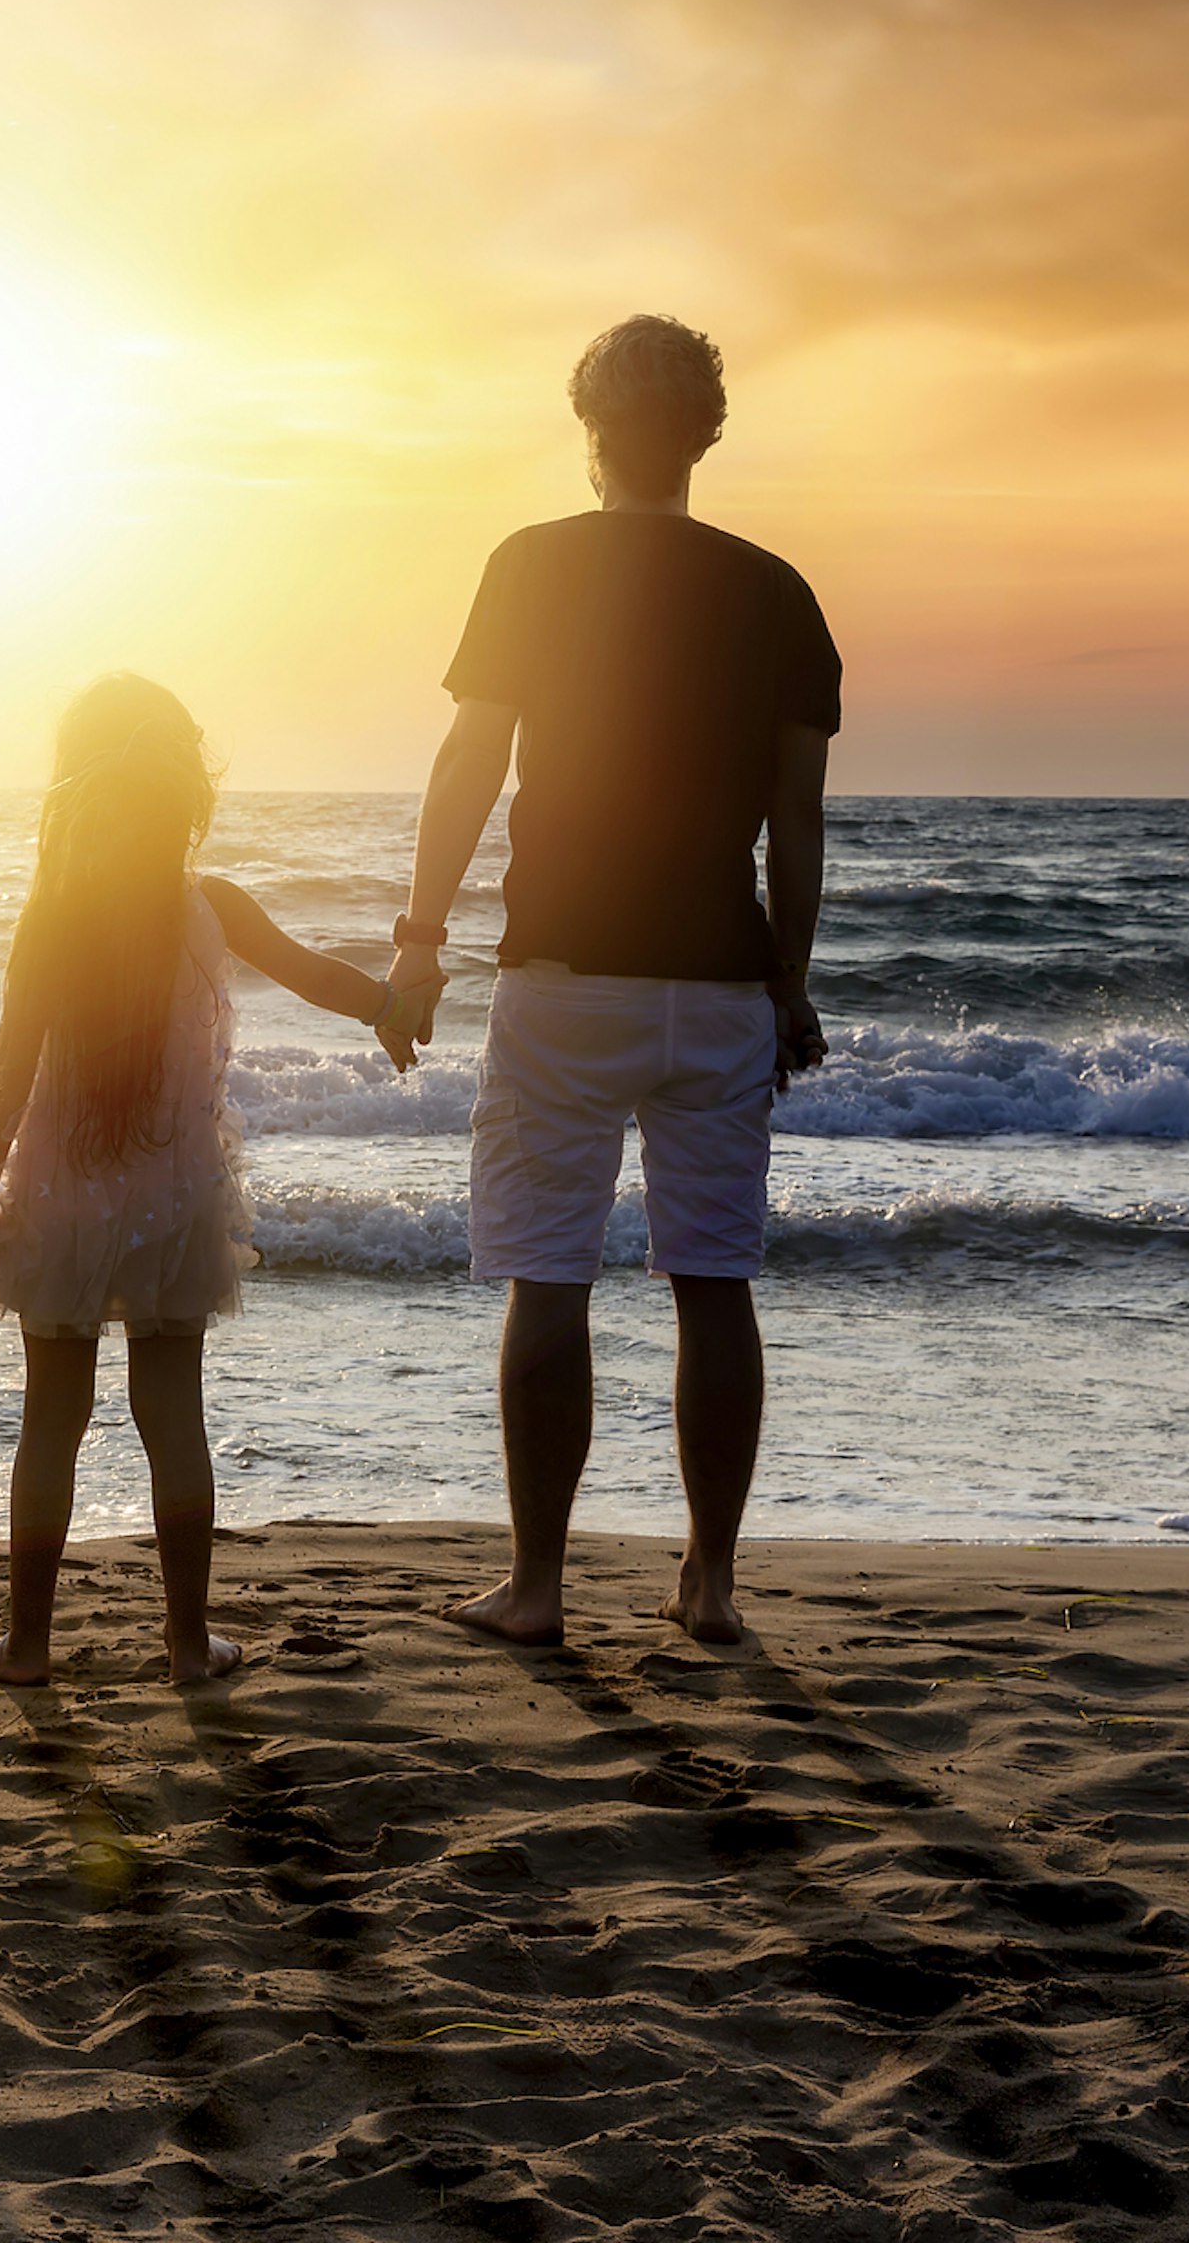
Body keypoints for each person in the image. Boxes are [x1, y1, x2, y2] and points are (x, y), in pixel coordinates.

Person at [386, 315, 841, 1648]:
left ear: (591, 434)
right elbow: (798, 825)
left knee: (549, 1278)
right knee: (713, 1281)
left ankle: (535, 1589)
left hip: (564, 976)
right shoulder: (778, 593)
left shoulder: (533, 564)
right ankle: (710, 1583)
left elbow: (469, 764)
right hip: (715, 984)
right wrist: (790, 985)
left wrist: (419, 941)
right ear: (703, 434)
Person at [0, 674, 420, 1687]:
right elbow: (312, 972)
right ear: (182, 793)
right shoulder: (211, 905)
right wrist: (392, 1004)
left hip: (63, 1196)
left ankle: (29, 1645)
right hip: (175, 1200)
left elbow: (5, 1068)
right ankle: (185, 1644)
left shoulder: (52, 916)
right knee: (174, 1417)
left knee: (51, 1419)